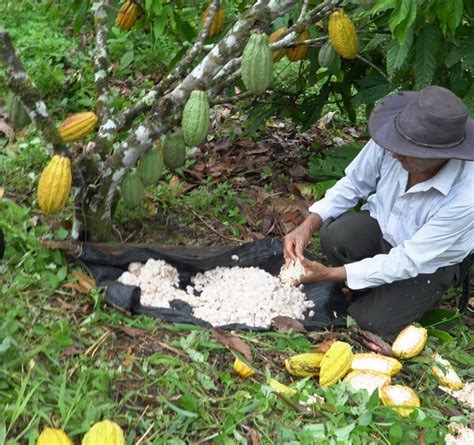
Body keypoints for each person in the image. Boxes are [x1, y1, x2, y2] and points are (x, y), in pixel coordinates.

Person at [283, 85, 474, 339]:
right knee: (336, 235)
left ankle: (394, 295)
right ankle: (372, 286)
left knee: (367, 323)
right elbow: (353, 183)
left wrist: (329, 274)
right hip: (382, 229)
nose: (394, 153)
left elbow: (410, 260)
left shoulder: (466, 195)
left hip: (428, 265)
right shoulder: (394, 136)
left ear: (440, 156)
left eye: (408, 153)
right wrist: (308, 225)